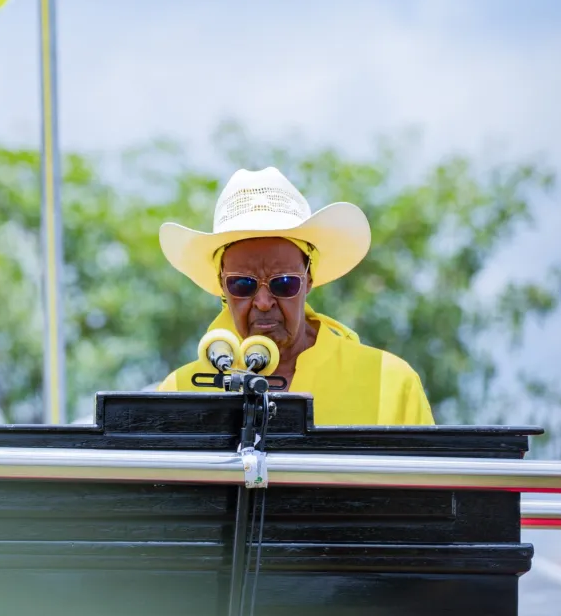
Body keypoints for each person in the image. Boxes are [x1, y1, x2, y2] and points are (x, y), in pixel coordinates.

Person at [157, 166, 434, 425]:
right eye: (242, 284)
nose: (264, 303)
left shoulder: (391, 383)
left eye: (284, 283)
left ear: (309, 279)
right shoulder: (177, 393)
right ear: (222, 286)